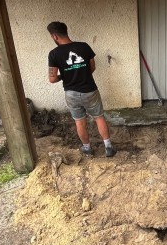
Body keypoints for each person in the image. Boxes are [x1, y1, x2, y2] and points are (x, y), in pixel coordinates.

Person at [47, 21, 116, 157]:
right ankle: (108, 147)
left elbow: (52, 78)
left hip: (71, 93)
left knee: (79, 121)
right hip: (90, 90)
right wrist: (81, 73)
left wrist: (64, 76)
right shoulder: (84, 47)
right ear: (65, 31)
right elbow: (92, 67)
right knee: (99, 117)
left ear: (54, 36)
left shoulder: (54, 54)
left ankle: (87, 148)